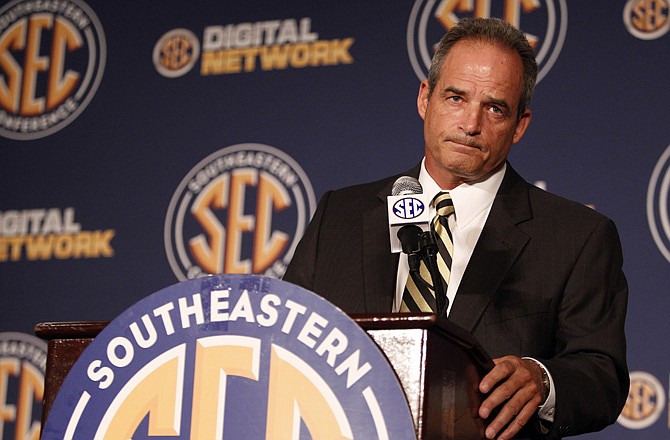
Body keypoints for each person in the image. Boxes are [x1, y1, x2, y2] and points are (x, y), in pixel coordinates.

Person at [283, 17, 628, 440]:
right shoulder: (341, 214)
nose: (471, 124)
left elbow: (601, 373)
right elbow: (287, 341)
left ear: (520, 125)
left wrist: (542, 379)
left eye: (495, 108)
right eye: (456, 97)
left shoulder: (577, 236)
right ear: (425, 99)